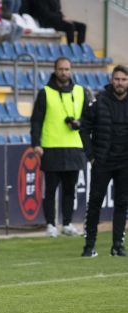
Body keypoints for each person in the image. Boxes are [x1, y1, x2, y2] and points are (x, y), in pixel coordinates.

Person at [30, 57, 87, 237]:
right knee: (51, 189)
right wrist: (36, 143)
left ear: (71, 71)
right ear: (55, 70)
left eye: (67, 69)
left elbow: (89, 117)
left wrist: (80, 123)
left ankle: (68, 223)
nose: (64, 72)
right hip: (52, 147)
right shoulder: (45, 92)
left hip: (74, 147)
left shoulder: (81, 91)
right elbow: (36, 121)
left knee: (70, 189)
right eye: (61, 69)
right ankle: (50, 224)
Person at [80, 65, 128, 258]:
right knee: (95, 203)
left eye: (123, 80)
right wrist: (91, 155)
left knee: (122, 204)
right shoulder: (99, 101)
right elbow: (83, 128)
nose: (120, 83)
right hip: (103, 161)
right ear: (111, 80)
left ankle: (117, 245)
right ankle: (89, 245)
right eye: (117, 79)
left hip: (125, 162)